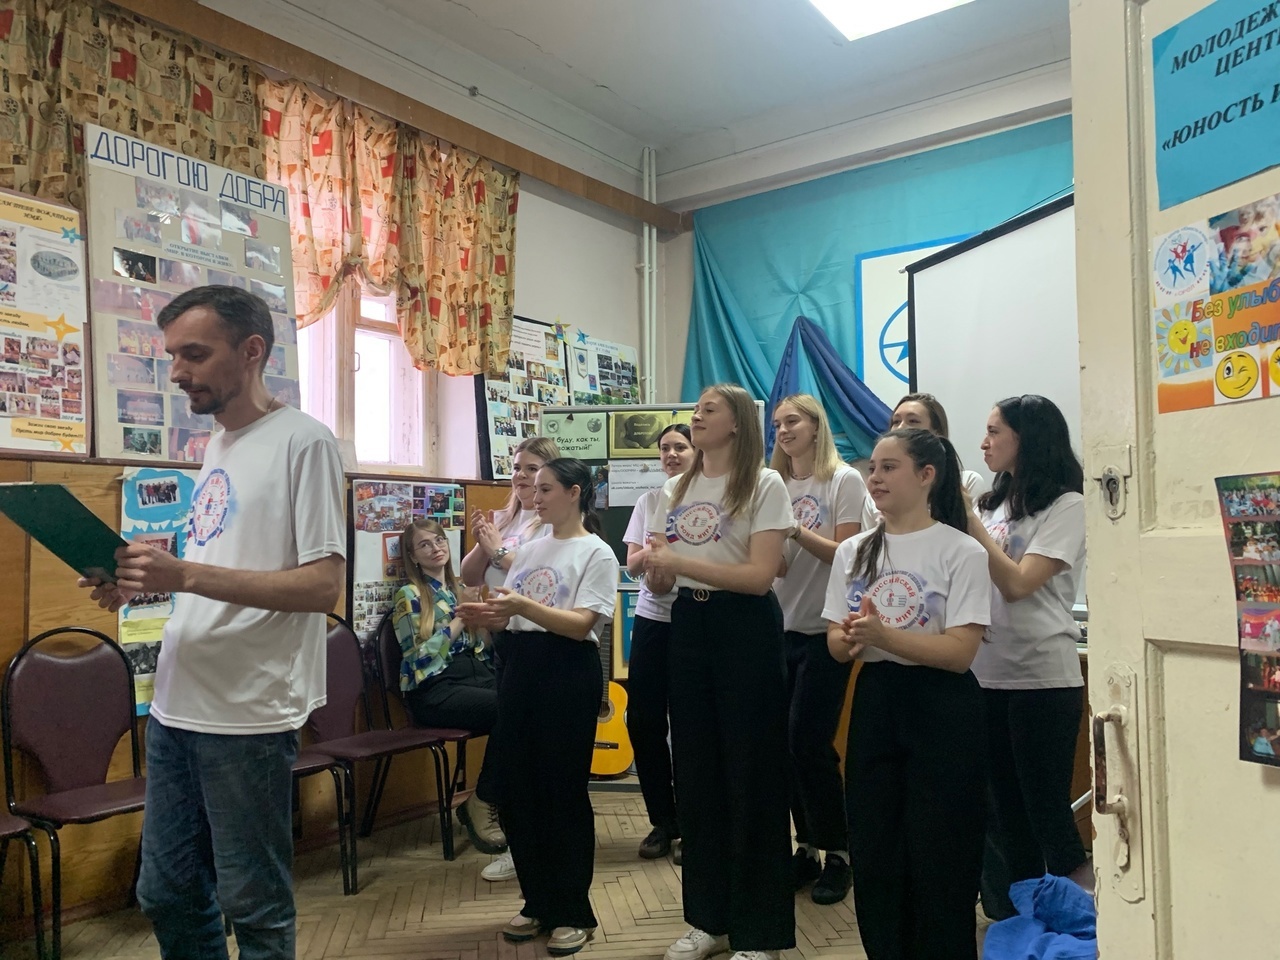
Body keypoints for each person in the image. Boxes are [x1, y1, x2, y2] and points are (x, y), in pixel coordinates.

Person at [79, 285, 345, 958]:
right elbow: (220, 565)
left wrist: (184, 576)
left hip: (247, 714)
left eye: (194, 354)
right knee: (166, 892)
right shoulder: (218, 445)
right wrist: (140, 585)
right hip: (177, 704)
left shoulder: (305, 442)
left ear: (252, 351)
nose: (177, 372)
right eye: (172, 355)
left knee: (253, 905)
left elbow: (323, 585)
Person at [637, 383, 795, 960]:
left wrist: (679, 561)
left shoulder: (764, 483)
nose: (697, 416)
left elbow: (759, 576)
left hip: (745, 628)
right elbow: (665, 578)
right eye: (696, 409)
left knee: (752, 774)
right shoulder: (673, 489)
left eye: (709, 410)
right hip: (689, 624)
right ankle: (708, 919)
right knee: (697, 772)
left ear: (736, 424)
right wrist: (657, 571)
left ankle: (759, 933)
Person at [823, 428, 992, 960]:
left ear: (926, 476)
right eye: (872, 468)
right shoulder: (853, 550)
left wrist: (884, 636)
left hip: (943, 706)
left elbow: (960, 652)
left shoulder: (961, 550)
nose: (875, 478)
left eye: (889, 467)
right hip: (877, 700)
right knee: (876, 845)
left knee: (941, 848)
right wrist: (851, 640)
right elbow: (834, 642)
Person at [458, 458, 617, 957]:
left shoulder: (597, 552)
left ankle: (573, 911)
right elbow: (514, 618)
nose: (535, 496)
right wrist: (488, 616)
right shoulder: (529, 549)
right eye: (534, 488)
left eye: (546, 489)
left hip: (567, 671)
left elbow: (581, 624)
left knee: (561, 792)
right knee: (519, 791)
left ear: (575, 493)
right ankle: (537, 901)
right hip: (520, 668)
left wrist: (521, 607)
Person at [966, 395, 1091, 920]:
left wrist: (969, 522)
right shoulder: (992, 504)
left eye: (995, 431)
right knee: (1005, 813)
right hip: (985, 674)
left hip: (1042, 678)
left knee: (1046, 810)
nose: (984, 442)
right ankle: (1025, 921)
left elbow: (1018, 584)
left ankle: (1084, 922)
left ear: (1028, 438)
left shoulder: (1068, 505)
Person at [769, 394, 865, 905]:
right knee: (783, 749)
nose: (783, 430)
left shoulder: (843, 480)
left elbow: (848, 555)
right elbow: (779, 564)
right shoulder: (774, 483)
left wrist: (795, 529)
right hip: (778, 629)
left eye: (793, 421)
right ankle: (805, 848)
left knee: (808, 742)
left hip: (825, 632)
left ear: (815, 426)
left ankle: (839, 853)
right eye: (777, 424)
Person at [459, 434, 560, 876]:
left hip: (542, 638)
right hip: (505, 639)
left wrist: (497, 549)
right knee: (515, 733)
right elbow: (469, 575)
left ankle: (499, 812)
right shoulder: (502, 517)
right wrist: (484, 544)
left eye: (531, 468)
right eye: (517, 467)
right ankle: (512, 835)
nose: (521, 476)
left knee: (532, 741)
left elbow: (529, 570)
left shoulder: (551, 519)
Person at [392, 519, 503, 855]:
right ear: (413, 556)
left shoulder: (461, 588)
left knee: (532, 700)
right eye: (424, 544)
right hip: (435, 690)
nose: (435, 548)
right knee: (509, 708)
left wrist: (483, 621)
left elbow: (482, 649)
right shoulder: (409, 596)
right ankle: (483, 801)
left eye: (439, 540)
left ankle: (510, 798)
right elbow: (418, 659)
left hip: (475, 677)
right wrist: (461, 618)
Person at [622, 422, 696, 861]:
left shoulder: (707, 501)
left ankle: (694, 825)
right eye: (665, 448)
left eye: (680, 447)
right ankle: (662, 822)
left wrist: (671, 556)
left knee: (689, 725)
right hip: (652, 619)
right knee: (643, 721)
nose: (671, 454)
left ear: (697, 452)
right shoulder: (649, 501)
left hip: (694, 619)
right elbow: (632, 562)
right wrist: (653, 555)